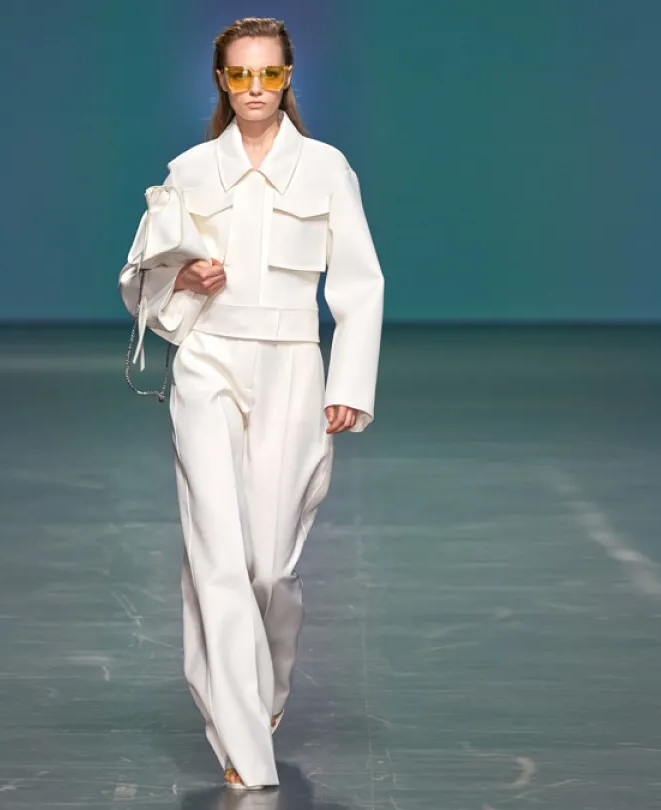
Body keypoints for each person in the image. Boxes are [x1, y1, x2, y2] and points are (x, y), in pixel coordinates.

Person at [117, 17, 384, 791]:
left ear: (289, 76)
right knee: (217, 555)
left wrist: (348, 385)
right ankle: (240, 742)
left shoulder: (326, 169)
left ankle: (266, 689)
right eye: (241, 74)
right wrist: (181, 279)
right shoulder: (191, 171)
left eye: (269, 73)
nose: (256, 88)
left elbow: (360, 281)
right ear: (221, 81)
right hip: (208, 362)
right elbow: (138, 279)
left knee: (271, 567)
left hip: (294, 365)